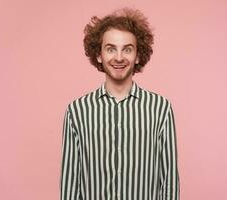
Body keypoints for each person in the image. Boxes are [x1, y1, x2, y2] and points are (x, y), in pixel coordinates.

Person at [60, 7, 180, 200]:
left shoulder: (160, 109)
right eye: (110, 49)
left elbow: (169, 182)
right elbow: (70, 186)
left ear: (138, 55)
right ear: (98, 55)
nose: (118, 57)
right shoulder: (77, 111)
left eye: (127, 49)